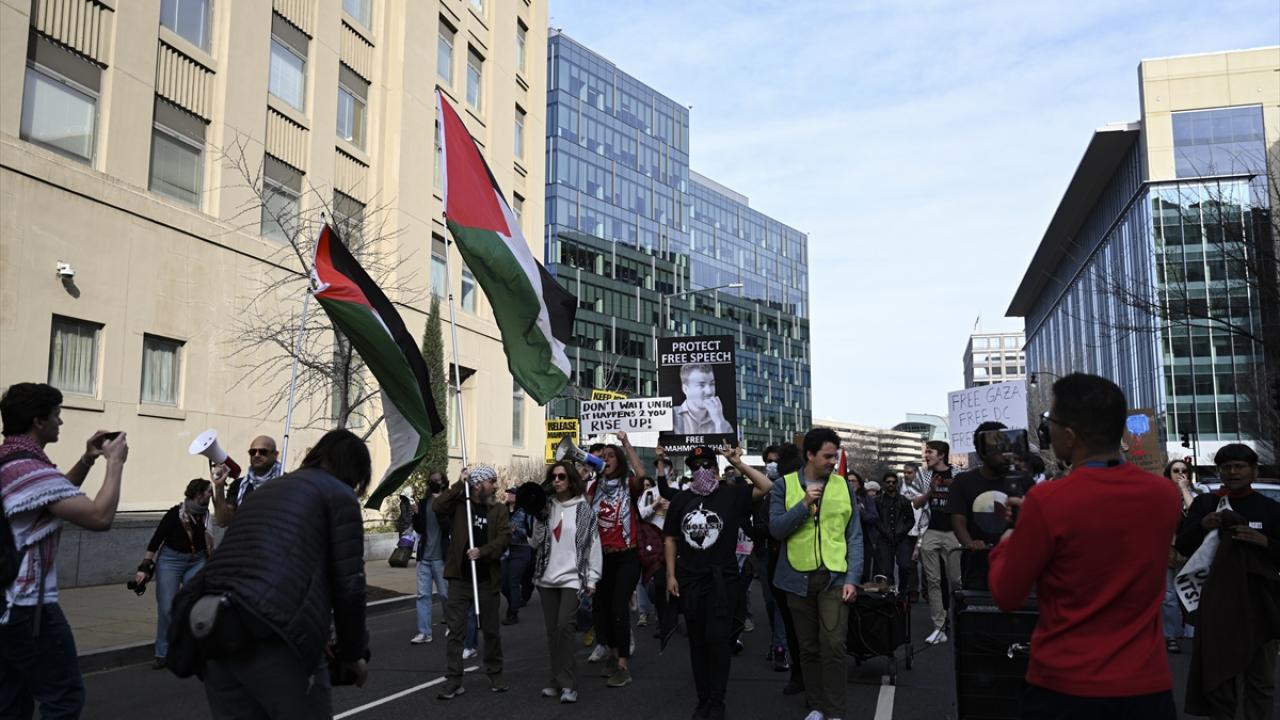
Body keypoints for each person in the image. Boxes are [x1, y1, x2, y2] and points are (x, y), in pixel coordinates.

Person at [988, 373, 1181, 719]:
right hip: (1146, 686)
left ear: (1070, 435)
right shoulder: (1165, 495)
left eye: (1050, 422)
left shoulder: (1047, 502)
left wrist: (1009, 540)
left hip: (1065, 686)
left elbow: (1007, 594)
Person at [182, 429, 370, 719]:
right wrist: (353, 653)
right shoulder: (339, 496)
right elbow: (349, 585)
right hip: (274, 634)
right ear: (355, 471)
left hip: (216, 625)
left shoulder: (264, 491)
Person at [0, 382, 129, 720]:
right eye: (56, 415)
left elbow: (53, 498)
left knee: (12, 699)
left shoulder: (10, 463)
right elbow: (99, 517)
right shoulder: (31, 470)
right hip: (28, 606)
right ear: (38, 421)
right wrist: (114, 463)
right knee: (64, 697)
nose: (61, 422)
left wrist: (87, 460)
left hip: (5, 605)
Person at [665, 444, 773, 720]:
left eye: (707, 465)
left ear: (715, 468)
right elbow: (671, 538)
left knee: (718, 640)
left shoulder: (731, 494)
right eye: (695, 466)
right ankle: (703, 699)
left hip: (722, 581)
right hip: (690, 580)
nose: (701, 470)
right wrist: (670, 575)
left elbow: (765, 486)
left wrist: (737, 463)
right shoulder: (681, 499)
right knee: (697, 642)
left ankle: (717, 699)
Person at [1175, 443, 1280, 720]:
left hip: (1260, 607)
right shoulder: (1205, 505)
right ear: (1219, 471)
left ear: (1254, 471)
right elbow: (1183, 546)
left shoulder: (1269, 508)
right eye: (1226, 467)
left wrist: (1264, 542)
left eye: (1240, 466)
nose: (1233, 472)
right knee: (1219, 681)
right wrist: (1202, 526)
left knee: (1261, 681)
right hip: (1217, 607)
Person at [769, 427, 862, 720]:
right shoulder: (783, 486)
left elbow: (854, 535)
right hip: (796, 578)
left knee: (833, 645)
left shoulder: (843, 486)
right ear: (810, 455)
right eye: (827, 456)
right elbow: (776, 530)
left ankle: (834, 711)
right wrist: (804, 504)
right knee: (807, 647)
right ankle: (816, 706)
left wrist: (853, 578)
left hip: (834, 577)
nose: (833, 462)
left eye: (835, 456)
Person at [434, 464, 511, 700]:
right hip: (460, 579)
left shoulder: (498, 509)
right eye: (491, 481)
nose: (495, 486)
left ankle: (495, 674)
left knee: (491, 631)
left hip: (487, 580)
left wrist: (483, 551)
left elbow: (504, 538)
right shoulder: (461, 505)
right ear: (477, 485)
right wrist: (460, 483)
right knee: (455, 632)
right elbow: (437, 506)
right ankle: (454, 680)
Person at [532, 461, 602, 704]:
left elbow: (593, 545)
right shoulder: (546, 508)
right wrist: (538, 519)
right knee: (552, 632)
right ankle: (555, 680)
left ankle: (569, 684)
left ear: (571, 480)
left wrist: (593, 578)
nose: (556, 480)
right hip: (546, 578)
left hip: (573, 578)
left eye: (561, 476)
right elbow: (535, 542)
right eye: (553, 476)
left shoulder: (584, 510)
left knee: (565, 627)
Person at [586, 433, 645, 687]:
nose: (605, 459)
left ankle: (623, 665)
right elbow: (584, 516)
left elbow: (641, 474)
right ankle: (612, 653)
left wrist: (626, 443)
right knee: (603, 609)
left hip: (627, 556)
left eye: (610, 456)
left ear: (619, 461)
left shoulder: (628, 484)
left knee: (619, 607)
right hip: (601, 558)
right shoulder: (594, 487)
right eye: (602, 456)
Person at [136, 478, 214, 669]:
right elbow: (156, 539)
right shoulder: (175, 513)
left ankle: (192, 648)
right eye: (208, 491)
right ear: (198, 494)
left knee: (196, 604)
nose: (211, 494)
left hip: (197, 560)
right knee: (167, 608)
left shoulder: (205, 516)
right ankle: (163, 653)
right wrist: (145, 565)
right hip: (171, 561)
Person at [948, 421, 1034, 591]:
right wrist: (970, 543)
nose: (1004, 454)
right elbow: (958, 520)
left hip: (1019, 568)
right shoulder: (963, 482)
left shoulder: (1024, 480)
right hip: (977, 572)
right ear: (982, 451)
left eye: (1007, 446)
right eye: (997, 448)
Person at [915, 439, 960, 644]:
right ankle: (939, 627)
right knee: (933, 581)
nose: (926, 456)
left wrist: (954, 488)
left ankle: (956, 619)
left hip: (953, 532)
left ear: (941, 455)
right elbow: (916, 504)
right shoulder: (924, 475)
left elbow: (965, 501)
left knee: (956, 581)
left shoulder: (958, 474)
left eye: (930, 452)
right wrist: (930, 491)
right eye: (926, 452)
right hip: (931, 531)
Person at [211, 435, 282, 527]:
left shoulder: (286, 482)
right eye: (252, 452)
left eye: (263, 452)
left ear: (275, 455)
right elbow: (223, 521)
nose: (256, 455)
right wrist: (219, 487)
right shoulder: (239, 485)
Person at [1160, 459, 1194, 653]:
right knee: (1169, 594)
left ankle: (1192, 630)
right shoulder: (1161, 495)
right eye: (1175, 470)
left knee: (1191, 592)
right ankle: (1170, 635)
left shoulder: (1196, 493)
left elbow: (1195, 511)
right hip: (1168, 550)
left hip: (1190, 552)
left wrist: (1184, 489)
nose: (1180, 474)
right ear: (1168, 474)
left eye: (1184, 470)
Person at [411, 471, 449, 644]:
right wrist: (416, 514)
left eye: (437, 480)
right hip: (424, 557)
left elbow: (448, 527)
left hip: (441, 556)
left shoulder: (448, 502)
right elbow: (420, 529)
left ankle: (452, 624)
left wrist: (440, 507)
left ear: (444, 482)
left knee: (445, 594)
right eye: (431, 480)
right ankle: (424, 632)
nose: (433, 482)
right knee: (422, 596)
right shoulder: (424, 502)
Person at [874, 472, 915, 594]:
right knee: (886, 569)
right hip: (884, 538)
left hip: (901, 538)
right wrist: (884, 531)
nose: (891, 484)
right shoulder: (877, 501)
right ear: (884, 484)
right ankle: (890, 594)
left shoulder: (904, 500)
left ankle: (903, 591)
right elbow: (876, 519)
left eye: (893, 482)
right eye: (888, 482)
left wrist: (902, 531)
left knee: (904, 566)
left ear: (897, 484)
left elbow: (911, 520)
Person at [502, 486, 534, 625]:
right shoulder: (501, 510)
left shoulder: (525, 511)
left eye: (513, 493)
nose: (509, 495)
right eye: (508, 492)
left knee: (513, 581)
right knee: (503, 583)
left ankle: (512, 613)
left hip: (521, 549)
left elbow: (530, 532)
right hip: (504, 549)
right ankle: (515, 601)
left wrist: (516, 530)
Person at [671, 364, 732, 435]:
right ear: (685, 389)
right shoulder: (671, 417)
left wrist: (719, 422)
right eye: (701, 385)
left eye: (712, 384)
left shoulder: (722, 421)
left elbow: (727, 442)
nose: (709, 391)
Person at [899, 462, 928, 602]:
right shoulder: (902, 488)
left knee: (927, 563)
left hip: (924, 530)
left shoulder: (924, 487)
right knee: (910, 563)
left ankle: (927, 590)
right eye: (905, 472)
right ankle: (913, 590)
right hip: (908, 531)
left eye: (909, 472)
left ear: (916, 473)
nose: (906, 475)